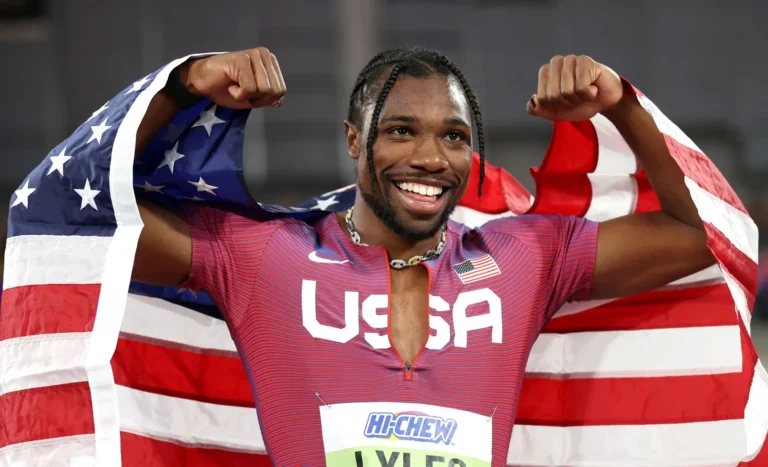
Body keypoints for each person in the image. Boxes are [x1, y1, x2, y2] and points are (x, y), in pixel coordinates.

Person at [131, 47, 714, 465]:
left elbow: (697, 232)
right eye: (402, 131)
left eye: (454, 136)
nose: (432, 159)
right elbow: (93, 223)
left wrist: (620, 101)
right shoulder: (263, 258)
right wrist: (184, 82)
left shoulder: (524, 260)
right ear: (355, 139)